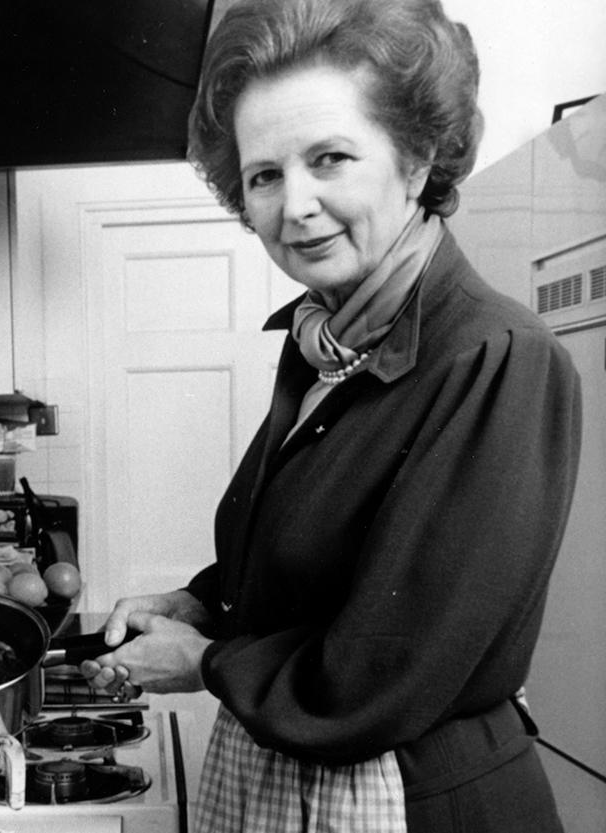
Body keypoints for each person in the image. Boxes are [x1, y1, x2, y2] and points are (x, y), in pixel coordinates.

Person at [79, 0, 583, 830]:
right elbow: (321, 565)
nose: (296, 205)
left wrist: (205, 661)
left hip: (413, 802)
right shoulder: (326, 344)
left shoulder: (496, 355)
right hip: (302, 786)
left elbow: (382, 670)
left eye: (331, 158)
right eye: (265, 174)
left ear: (416, 161)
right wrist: (203, 602)